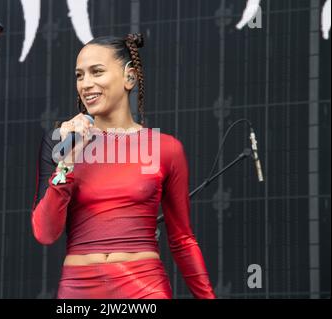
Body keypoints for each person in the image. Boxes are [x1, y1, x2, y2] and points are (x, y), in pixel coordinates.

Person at [31, 33, 216, 299]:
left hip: (144, 288)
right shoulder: (60, 141)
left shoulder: (165, 148)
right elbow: (45, 233)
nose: (86, 84)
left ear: (129, 77)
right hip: (79, 290)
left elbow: (182, 240)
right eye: (79, 75)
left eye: (97, 72)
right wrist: (68, 160)